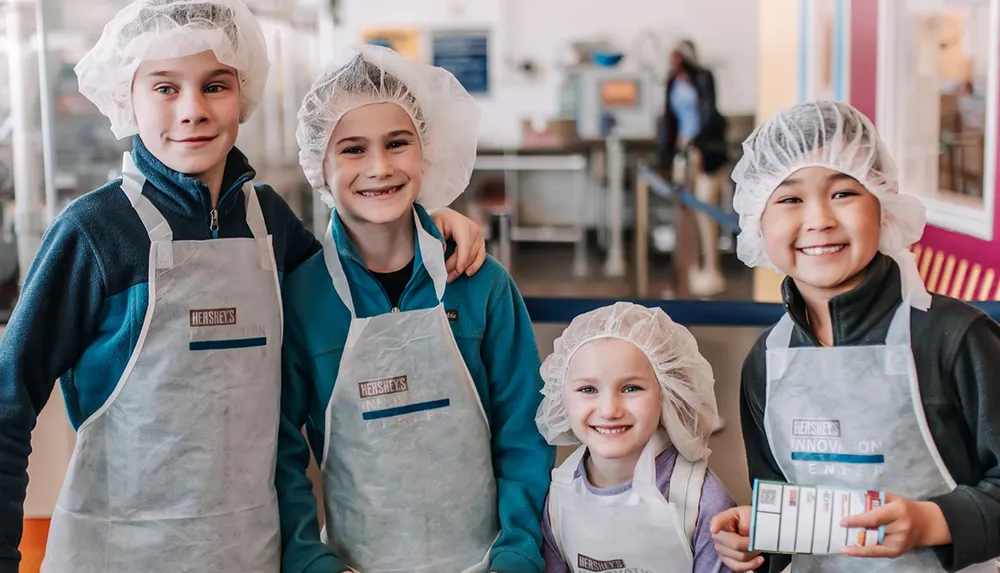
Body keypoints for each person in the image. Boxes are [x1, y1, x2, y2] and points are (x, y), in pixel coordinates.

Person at [0, 1, 486, 570]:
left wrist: (430, 223)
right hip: (120, 553)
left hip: (252, 552)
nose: (192, 111)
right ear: (123, 100)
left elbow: (358, 279)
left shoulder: (270, 221)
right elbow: (9, 402)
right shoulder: (94, 234)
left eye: (215, 85)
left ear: (245, 93)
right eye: (164, 88)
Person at [276, 44, 554, 573]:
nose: (379, 168)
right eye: (353, 149)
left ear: (425, 150)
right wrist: (312, 561)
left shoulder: (481, 286)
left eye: (397, 143)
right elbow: (283, 457)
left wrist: (517, 552)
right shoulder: (302, 299)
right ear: (319, 166)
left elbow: (524, 431)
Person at [710, 100, 1000, 572]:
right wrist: (759, 541)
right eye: (789, 198)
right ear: (757, 221)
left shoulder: (952, 339)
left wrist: (933, 522)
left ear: (883, 207)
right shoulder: (767, 361)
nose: (819, 219)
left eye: (843, 193)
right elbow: (785, 509)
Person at [536, 302, 735, 572]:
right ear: (561, 397)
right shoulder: (558, 499)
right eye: (587, 389)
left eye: (631, 388)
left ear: (667, 393)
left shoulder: (701, 500)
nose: (609, 410)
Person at [659, 39, 730, 297]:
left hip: (706, 153)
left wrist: (698, 143)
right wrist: (666, 154)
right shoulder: (672, 83)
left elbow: (709, 113)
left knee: (705, 211)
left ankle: (712, 270)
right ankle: (687, 272)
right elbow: (669, 119)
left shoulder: (703, 78)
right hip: (682, 153)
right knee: (683, 214)